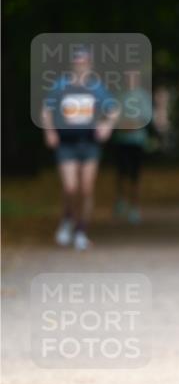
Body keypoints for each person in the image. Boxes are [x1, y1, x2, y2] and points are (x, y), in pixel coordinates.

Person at [42, 47, 120, 250]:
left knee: (86, 189)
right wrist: (49, 132)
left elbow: (113, 109)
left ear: (90, 64)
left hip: (89, 143)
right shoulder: (61, 86)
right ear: (72, 64)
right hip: (66, 143)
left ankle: (81, 231)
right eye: (78, 61)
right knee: (70, 187)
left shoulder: (96, 88)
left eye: (84, 61)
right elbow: (46, 110)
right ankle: (67, 219)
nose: (81, 64)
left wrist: (106, 125)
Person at [113, 69, 154, 224]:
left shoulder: (143, 97)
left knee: (135, 175)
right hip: (121, 141)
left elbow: (146, 117)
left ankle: (135, 206)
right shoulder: (119, 97)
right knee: (121, 173)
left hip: (137, 141)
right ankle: (121, 200)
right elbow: (113, 118)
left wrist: (130, 125)